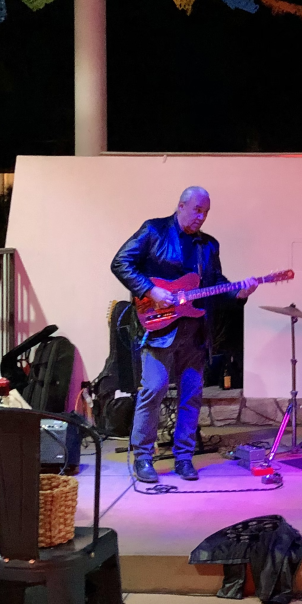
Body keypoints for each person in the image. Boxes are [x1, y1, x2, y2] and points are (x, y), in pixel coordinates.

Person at [111, 187, 258, 483]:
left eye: (206, 212)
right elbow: (120, 263)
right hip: (159, 328)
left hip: (196, 332)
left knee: (191, 397)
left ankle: (184, 458)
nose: (201, 217)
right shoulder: (154, 231)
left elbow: (215, 284)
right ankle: (142, 457)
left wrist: (238, 293)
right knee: (153, 390)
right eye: (197, 210)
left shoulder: (209, 245)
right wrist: (151, 290)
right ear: (181, 206)